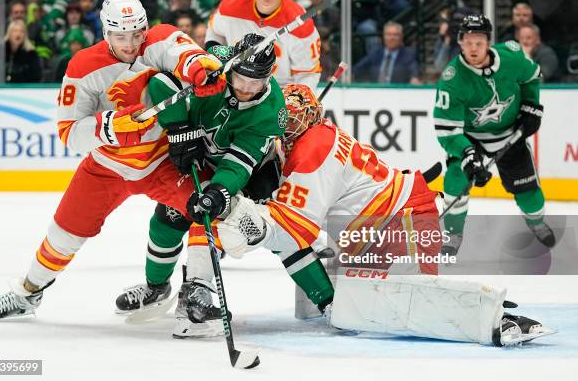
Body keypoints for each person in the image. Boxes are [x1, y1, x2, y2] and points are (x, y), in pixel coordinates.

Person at [214, 83, 553, 347]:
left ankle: (492, 319)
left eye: (293, 117)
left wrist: (251, 223)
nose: (288, 124)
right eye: (284, 118)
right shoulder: (318, 136)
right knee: (366, 302)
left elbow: (294, 230)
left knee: (411, 303)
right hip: (379, 229)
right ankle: (332, 301)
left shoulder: (311, 150)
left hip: (403, 223)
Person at [0, 0, 226, 320]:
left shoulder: (160, 38)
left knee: (209, 208)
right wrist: (110, 125)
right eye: (120, 36)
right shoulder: (83, 66)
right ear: (105, 33)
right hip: (106, 167)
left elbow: (187, 54)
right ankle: (28, 293)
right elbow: (69, 132)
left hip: (161, 162)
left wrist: (201, 69)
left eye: (136, 34)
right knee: (64, 233)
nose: (129, 43)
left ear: (145, 28)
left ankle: (196, 290)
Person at [146, 33, 286, 338]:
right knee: (166, 221)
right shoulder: (211, 65)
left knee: (208, 210)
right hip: (190, 153)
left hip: (237, 171)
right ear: (231, 66)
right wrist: (178, 129)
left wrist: (220, 189)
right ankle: (154, 288)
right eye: (241, 78)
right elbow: (160, 84)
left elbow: (241, 160)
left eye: (256, 82)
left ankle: (195, 293)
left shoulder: (271, 109)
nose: (247, 89)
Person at [433, 13, 555, 257]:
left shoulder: (512, 56)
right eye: (467, 42)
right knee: (456, 181)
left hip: (510, 133)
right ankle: (453, 234)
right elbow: (447, 130)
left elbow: (532, 77)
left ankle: (536, 222)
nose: (473, 48)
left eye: (479, 42)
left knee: (527, 186)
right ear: (460, 42)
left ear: (488, 42)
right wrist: (467, 154)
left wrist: (531, 106)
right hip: (471, 138)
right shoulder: (452, 78)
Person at [205, 0, 321, 91]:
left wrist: (298, 97)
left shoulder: (299, 22)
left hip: (279, 93)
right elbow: (215, 32)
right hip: (235, 87)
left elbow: (307, 74)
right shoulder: (231, 5)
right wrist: (213, 63)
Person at [353, 21, 421, 84]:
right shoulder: (375, 53)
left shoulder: (408, 54)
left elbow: (414, 71)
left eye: (395, 35)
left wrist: (414, 78)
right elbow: (356, 69)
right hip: (375, 93)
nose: (392, 38)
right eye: (388, 34)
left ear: (401, 37)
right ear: (383, 37)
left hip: (398, 93)